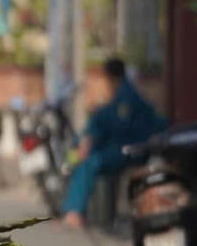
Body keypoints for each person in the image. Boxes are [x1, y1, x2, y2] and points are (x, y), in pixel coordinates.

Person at [61, 57, 167, 229]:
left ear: (110, 77)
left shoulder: (125, 96)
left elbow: (113, 123)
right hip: (126, 147)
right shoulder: (124, 92)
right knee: (83, 157)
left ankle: (74, 212)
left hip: (131, 149)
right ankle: (74, 210)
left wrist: (90, 135)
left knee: (90, 163)